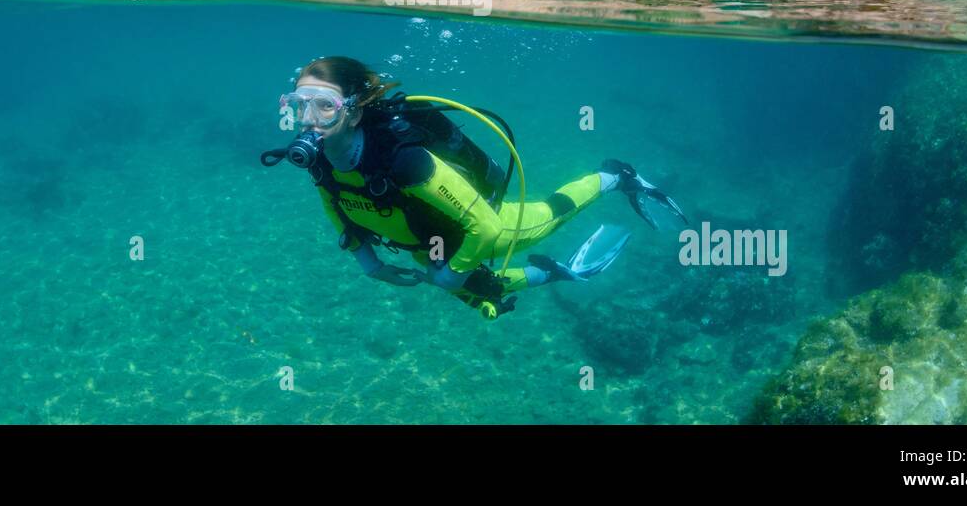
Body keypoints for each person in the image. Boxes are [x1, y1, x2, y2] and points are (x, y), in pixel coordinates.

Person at [265, 56, 687, 319]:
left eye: (324, 105)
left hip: (479, 229)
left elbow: (486, 230)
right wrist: (368, 263)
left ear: (354, 113)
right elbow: (333, 201)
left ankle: (615, 177)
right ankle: (549, 274)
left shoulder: (405, 160)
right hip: (422, 239)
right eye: (298, 103)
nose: (308, 119)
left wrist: (452, 274)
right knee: (480, 293)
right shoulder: (316, 156)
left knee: (547, 217)